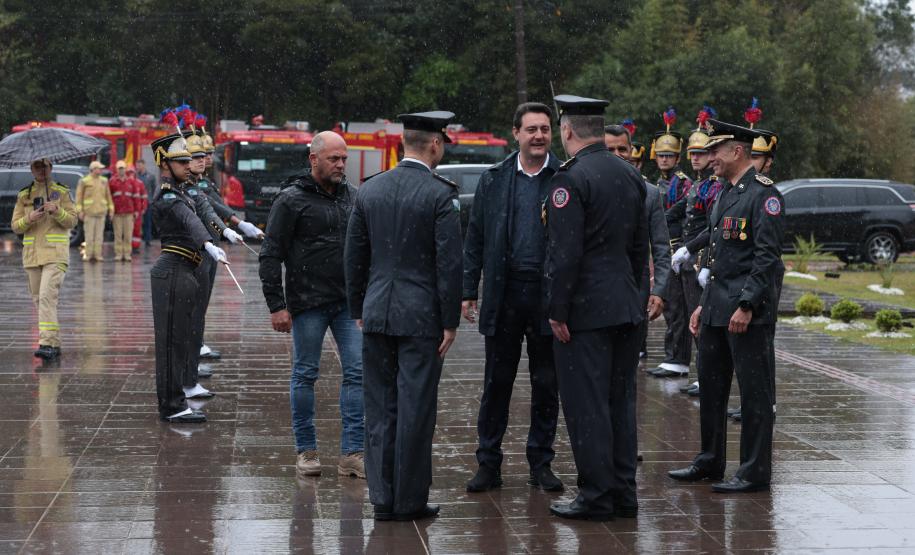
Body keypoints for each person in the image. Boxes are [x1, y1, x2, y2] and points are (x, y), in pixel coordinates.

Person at [345, 110, 462, 521]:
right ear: (435, 144)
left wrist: (359, 307)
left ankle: (381, 497)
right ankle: (409, 500)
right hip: (421, 318)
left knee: (379, 407)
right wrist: (451, 321)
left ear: (401, 144)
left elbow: (354, 256)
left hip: (377, 313)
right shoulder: (439, 195)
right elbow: (449, 265)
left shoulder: (370, 191)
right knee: (416, 407)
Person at [668, 119, 785, 493]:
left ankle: (753, 472)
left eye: (716, 150)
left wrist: (747, 304)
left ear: (737, 151)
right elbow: (719, 255)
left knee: (754, 395)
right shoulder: (723, 191)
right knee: (712, 389)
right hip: (717, 307)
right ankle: (709, 461)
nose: (709, 157)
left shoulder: (764, 195)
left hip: (747, 313)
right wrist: (703, 305)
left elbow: (766, 258)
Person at [546, 95, 648, 521]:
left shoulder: (570, 179)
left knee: (587, 406)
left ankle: (595, 495)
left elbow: (565, 254)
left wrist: (557, 309)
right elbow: (639, 249)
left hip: (586, 311)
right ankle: (623, 492)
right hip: (626, 305)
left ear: (567, 130)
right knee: (620, 403)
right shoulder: (630, 175)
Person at [462, 102, 563, 494]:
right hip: (505, 294)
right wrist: (468, 290)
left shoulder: (564, 178)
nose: (539, 136)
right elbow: (476, 240)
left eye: (545, 129)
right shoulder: (494, 179)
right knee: (496, 384)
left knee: (546, 383)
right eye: (531, 129)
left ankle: (541, 463)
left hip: (548, 296)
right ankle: (488, 463)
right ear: (515, 133)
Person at [260, 131, 365, 480]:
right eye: (334, 158)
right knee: (305, 374)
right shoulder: (291, 200)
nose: (340, 165)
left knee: (357, 372)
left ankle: (352, 452)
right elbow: (270, 254)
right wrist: (277, 305)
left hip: (349, 303)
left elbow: (365, 248)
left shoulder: (354, 196)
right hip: (307, 304)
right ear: (314, 159)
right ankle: (306, 450)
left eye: (344, 159)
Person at [149, 131, 227, 423]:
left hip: (183, 271)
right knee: (170, 345)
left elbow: (202, 212)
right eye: (180, 162)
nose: (187, 165)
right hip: (172, 271)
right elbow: (189, 220)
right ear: (165, 165)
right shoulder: (169, 196)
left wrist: (225, 232)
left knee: (179, 340)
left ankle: (177, 399)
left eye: (187, 160)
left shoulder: (182, 191)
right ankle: (171, 406)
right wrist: (208, 243)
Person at [181, 127, 243, 392]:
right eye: (196, 156)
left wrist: (229, 228)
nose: (204, 159)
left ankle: (191, 365)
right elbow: (203, 215)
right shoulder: (185, 189)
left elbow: (211, 211)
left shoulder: (199, 184)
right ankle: (187, 371)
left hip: (208, 249)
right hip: (192, 255)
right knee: (191, 314)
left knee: (199, 312)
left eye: (205, 154)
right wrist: (227, 227)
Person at [667, 108, 724, 394]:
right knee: (691, 316)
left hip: (702, 260)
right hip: (690, 259)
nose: (696, 158)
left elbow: (712, 228)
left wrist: (694, 254)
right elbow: (676, 213)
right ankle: (703, 373)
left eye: (701, 153)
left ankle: (708, 374)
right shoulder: (699, 185)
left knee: (702, 321)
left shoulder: (713, 188)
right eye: (692, 153)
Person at [604, 124, 670, 363]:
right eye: (609, 149)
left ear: (631, 150)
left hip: (634, 291)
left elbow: (662, 246)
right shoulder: (585, 185)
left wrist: (659, 290)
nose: (617, 154)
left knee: (627, 366)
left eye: (622, 148)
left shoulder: (650, 194)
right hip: (594, 294)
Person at [11, 158, 77, 361]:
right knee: (40, 301)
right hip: (32, 256)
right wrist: (29, 218)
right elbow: (15, 226)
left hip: (55, 255)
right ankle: (54, 343)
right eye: (37, 166)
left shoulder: (61, 191)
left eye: (45, 166)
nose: (41, 170)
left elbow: (72, 221)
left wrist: (57, 211)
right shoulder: (24, 195)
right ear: (31, 169)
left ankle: (46, 343)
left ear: (51, 168)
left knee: (47, 297)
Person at [649, 108, 694, 379]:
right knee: (667, 304)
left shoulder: (683, 184)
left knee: (678, 307)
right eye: (661, 155)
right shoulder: (658, 183)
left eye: (669, 155)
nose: (665, 160)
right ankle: (672, 355)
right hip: (661, 248)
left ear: (678, 158)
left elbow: (678, 212)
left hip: (677, 248)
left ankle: (678, 358)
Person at [75, 160, 113, 261]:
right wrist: (80, 211)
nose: (101, 170)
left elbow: (108, 196)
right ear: (93, 169)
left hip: (101, 213)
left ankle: (97, 255)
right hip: (89, 213)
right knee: (89, 236)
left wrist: (111, 209)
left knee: (99, 236)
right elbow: (79, 197)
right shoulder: (84, 181)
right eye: (99, 168)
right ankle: (88, 255)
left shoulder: (104, 181)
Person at [109, 160, 137, 261]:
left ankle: (127, 254)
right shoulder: (112, 181)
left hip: (129, 213)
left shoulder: (131, 181)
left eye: (123, 168)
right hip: (117, 213)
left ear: (125, 169)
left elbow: (135, 197)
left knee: (128, 235)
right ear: (117, 169)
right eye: (120, 168)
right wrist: (111, 211)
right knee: (118, 235)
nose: (121, 170)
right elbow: (109, 198)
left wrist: (136, 211)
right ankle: (119, 254)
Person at [137, 159, 158, 246]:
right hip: (137, 203)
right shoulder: (135, 176)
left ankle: (147, 240)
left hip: (148, 202)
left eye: (140, 165)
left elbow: (154, 189)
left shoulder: (150, 176)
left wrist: (152, 200)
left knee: (147, 222)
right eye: (137, 165)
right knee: (137, 222)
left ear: (144, 165)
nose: (138, 167)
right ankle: (137, 240)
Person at [128, 166, 147, 254]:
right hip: (128, 211)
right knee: (128, 230)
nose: (131, 174)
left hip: (138, 211)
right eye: (129, 172)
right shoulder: (125, 183)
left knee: (136, 229)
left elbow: (144, 197)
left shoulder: (139, 183)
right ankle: (127, 247)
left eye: (132, 172)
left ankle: (135, 247)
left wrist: (143, 208)